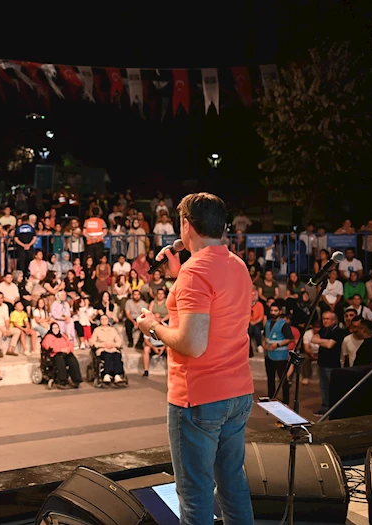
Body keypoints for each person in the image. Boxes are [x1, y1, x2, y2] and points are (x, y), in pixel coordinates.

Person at [136, 192, 254, 523]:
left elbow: (192, 343)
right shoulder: (236, 264)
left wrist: (153, 327)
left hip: (200, 398)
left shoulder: (195, 272)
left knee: (195, 493)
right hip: (237, 392)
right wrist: (179, 271)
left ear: (186, 224)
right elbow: (208, 312)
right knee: (233, 483)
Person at [311, 310, 346, 416]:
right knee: (323, 386)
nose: (325, 321)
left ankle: (333, 408)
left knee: (332, 387)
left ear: (334, 320)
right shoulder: (323, 330)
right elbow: (313, 339)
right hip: (322, 362)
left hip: (332, 363)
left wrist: (323, 341)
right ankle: (325, 407)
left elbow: (330, 345)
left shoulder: (338, 331)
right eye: (324, 319)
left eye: (327, 319)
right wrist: (325, 341)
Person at [263, 304, 293, 405]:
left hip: (280, 356)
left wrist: (278, 344)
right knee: (270, 378)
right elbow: (265, 336)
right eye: (272, 310)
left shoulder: (284, 324)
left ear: (279, 311)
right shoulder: (267, 322)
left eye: (275, 310)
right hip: (269, 354)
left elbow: (290, 338)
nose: (273, 312)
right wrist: (264, 344)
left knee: (283, 379)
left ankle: (286, 401)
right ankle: (271, 398)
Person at [41, 323, 82, 389]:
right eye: (54, 328)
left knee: (73, 360)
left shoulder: (63, 336)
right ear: (51, 329)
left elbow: (70, 344)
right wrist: (60, 350)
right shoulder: (48, 337)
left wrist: (68, 349)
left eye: (57, 327)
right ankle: (62, 381)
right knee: (60, 361)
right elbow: (47, 346)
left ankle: (76, 380)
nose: (55, 329)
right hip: (56, 354)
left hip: (66, 352)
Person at [89, 314, 124, 383]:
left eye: (105, 319)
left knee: (117, 355)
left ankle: (117, 374)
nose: (104, 320)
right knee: (107, 355)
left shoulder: (113, 330)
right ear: (100, 321)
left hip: (113, 348)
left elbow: (119, 341)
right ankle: (106, 374)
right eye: (102, 319)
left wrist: (114, 345)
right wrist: (101, 345)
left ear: (108, 320)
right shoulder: (97, 330)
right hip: (102, 349)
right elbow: (92, 342)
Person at [0, 292, 21, 357]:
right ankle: (0, 350)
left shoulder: (5, 306)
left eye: (1, 298)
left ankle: (10, 349)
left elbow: (7, 319)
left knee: (17, 331)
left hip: (3, 326)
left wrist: (7, 329)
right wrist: (2, 331)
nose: (0, 299)